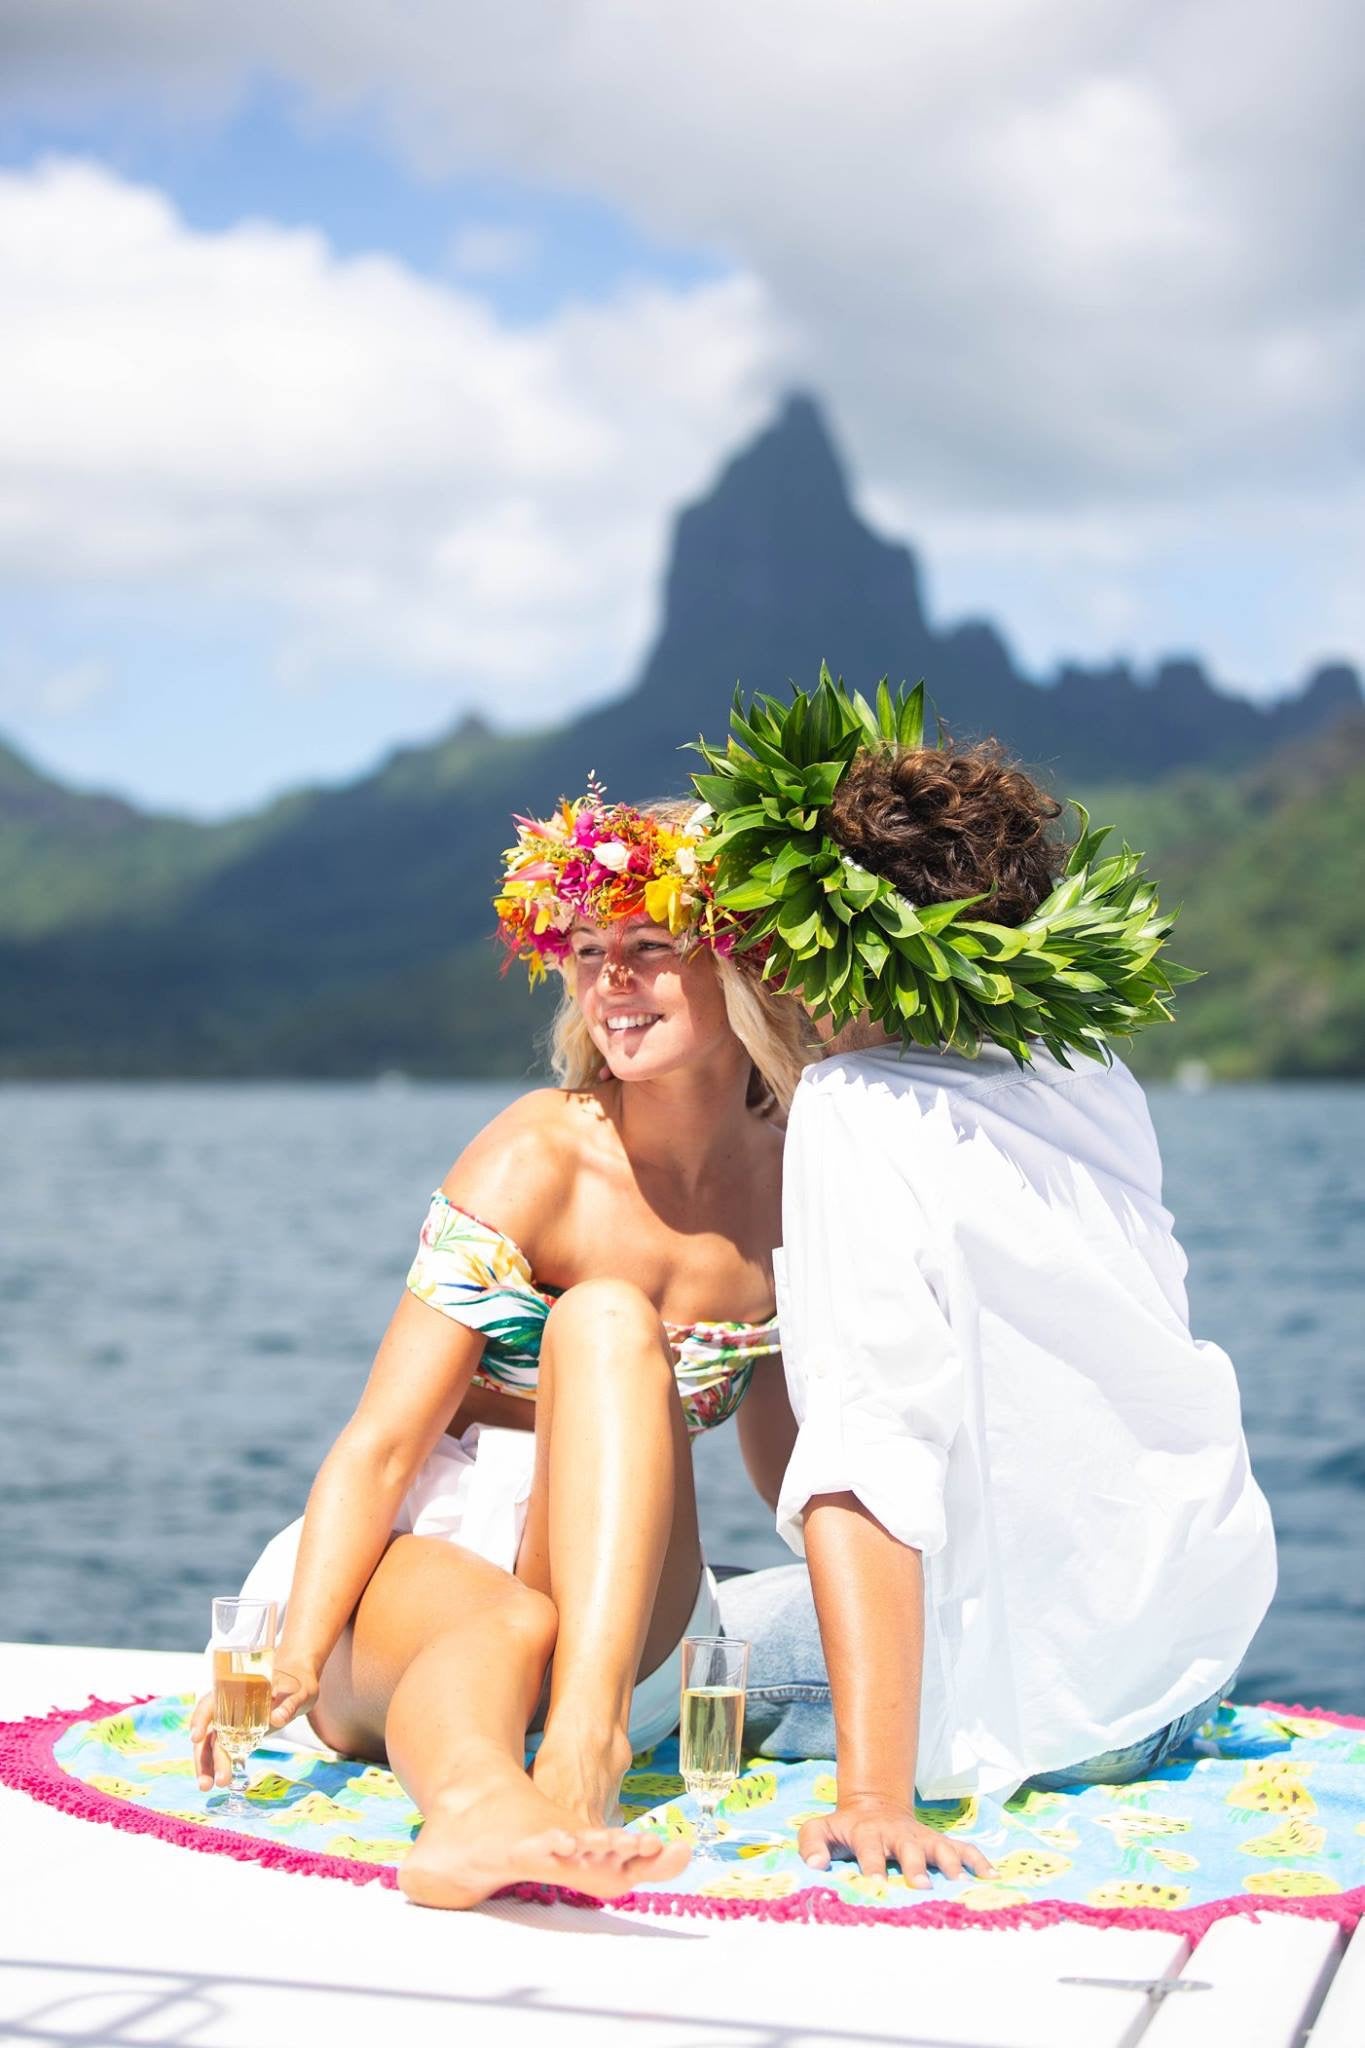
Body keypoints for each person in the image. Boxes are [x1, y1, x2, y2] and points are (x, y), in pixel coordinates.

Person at [699, 669, 1277, 1886]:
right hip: (1179, 1667)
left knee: (656, 1646)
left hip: (1050, 1709)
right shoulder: (1089, 1070)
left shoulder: (858, 1110)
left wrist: (874, 1794)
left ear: (835, 943)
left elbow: (869, 1453)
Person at [191, 790, 807, 1910]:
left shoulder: (797, 1184)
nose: (611, 978)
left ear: (740, 957)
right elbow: (384, 1445)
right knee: (515, 1586)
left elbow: (795, 1478)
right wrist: (296, 1647)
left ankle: (585, 1747)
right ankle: (489, 1808)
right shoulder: (539, 1153)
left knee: (608, 1324)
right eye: (586, 952)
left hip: (628, 1622)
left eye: (650, 945)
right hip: (423, 1561)